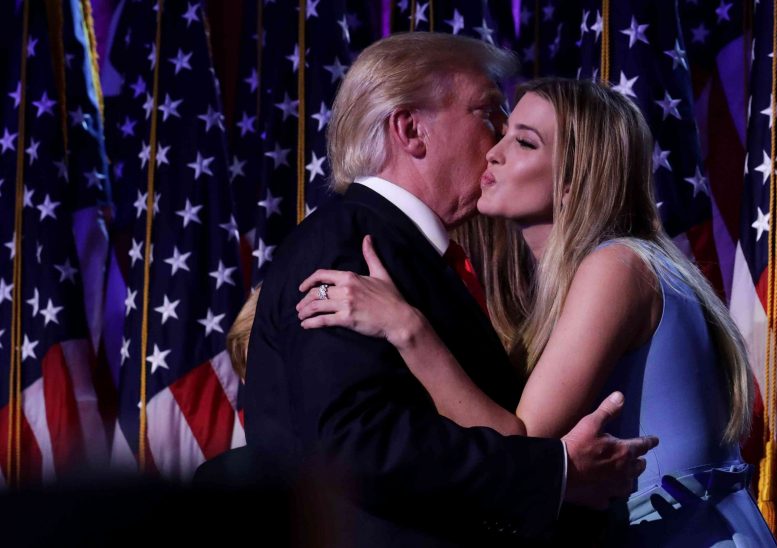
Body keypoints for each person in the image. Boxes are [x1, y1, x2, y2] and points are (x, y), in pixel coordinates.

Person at [296, 78, 777, 546]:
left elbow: (523, 441)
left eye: (524, 142)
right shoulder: (586, 275)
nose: (493, 152)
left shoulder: (617, 265)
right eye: (502, 131)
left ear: (572, 182)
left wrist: (406, 327)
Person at [242, 34, 657, 547]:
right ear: (412, 130)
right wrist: (557, 473)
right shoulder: (350, 244)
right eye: (488, 111)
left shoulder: (410, 250)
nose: (502, 134)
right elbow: (360, 443)